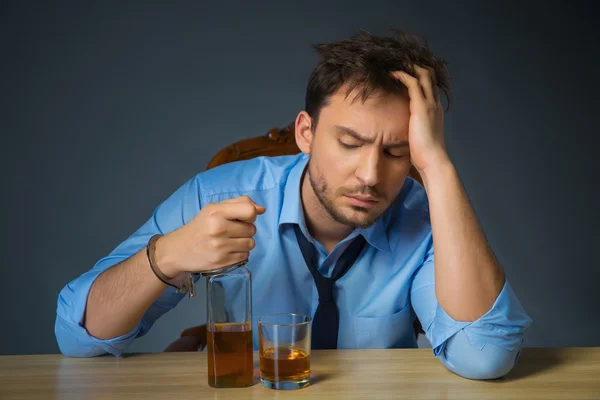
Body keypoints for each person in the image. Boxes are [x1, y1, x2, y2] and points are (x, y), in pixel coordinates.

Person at [55, 29, 532, 380]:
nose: (370, 175)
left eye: (396, 152)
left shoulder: (428, 219)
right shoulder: (216, 197)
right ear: (305, 133)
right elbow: (78, 339)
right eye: (350, 143)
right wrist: (166, 256)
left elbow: (484, 355)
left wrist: (439, 168)